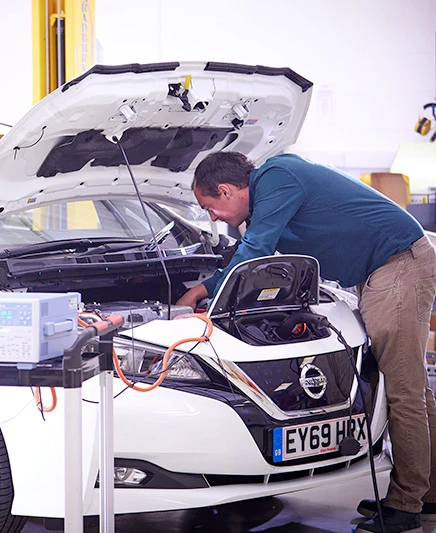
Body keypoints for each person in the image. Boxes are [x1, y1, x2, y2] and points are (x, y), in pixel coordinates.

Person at [176, 151, 436, 533]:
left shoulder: (277, 177)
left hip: (397, 267)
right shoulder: (270, 195)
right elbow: (265, 261)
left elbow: (256, 252)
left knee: (404, 390)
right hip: (384, 269)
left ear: (228, 190)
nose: (211, 217)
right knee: (413, 387)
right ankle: (427, 493)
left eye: (209, 206)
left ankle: (406, 503)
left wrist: (201, 295)